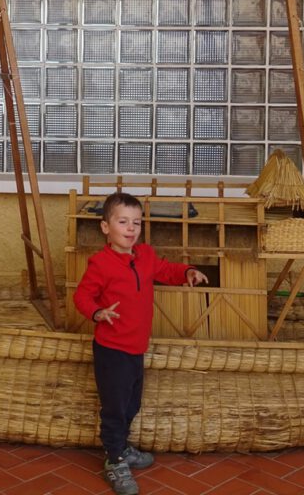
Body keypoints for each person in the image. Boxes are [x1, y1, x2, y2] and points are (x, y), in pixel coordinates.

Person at [73, 192, 208, 495]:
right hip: (111, 350)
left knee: (131, 404)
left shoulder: (145, 255)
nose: (131, 228)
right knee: (115, 408)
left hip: (136, 348)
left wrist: (187, 272)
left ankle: (122, 447)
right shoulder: (101, 263)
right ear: (106, 227)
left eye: (137, 222)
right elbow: (82, 296)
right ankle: (114, 460)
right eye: (123, 222)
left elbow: (165, 270)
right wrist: (97, 312)